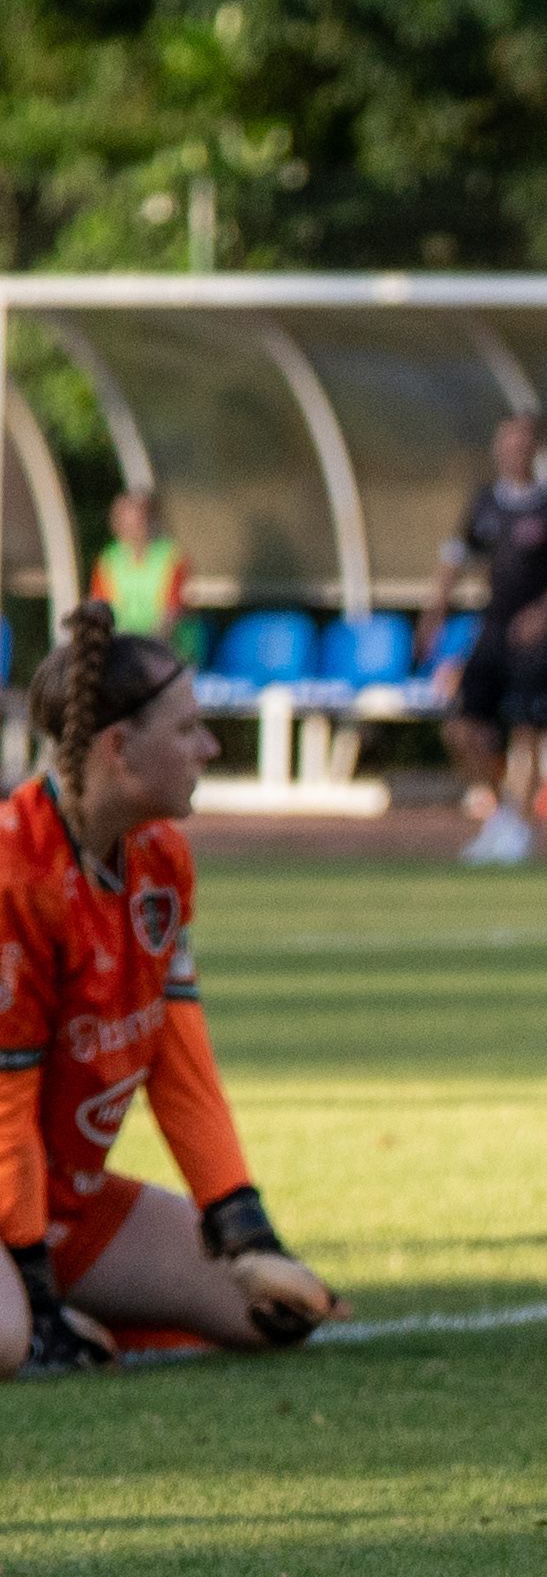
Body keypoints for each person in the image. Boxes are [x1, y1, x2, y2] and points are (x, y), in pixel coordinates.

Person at [1, 605, 344, 1376]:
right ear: (119, 748)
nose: (209, 747)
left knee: (273, 1310)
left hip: (61, 1197)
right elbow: (6, 1105)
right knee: (7, 1337)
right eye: (188, 728)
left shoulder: (161, 861)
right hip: (8, 1190)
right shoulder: (14, 872)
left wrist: (241, 1224)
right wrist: (34, 1287)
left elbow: (180, 1060)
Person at [437, 412, 547, 866]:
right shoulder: (484, 502)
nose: (513, 451)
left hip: (534, 640)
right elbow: (455, 556)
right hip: (492, 630)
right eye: (507, 442)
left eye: (522, 443)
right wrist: (435, 612)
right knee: (460, 729)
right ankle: (500, 817)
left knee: (525, 729)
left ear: (535, 451)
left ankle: (519, 827)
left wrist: (545, 612)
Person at [88, 488, 188, 648]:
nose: (133, 530)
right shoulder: (108, 559)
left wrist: (148, 647)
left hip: (167, 646)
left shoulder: (171, 556)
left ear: (151, 520)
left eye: (139, 522)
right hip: (121, 646)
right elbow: (100, 610)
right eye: (127, 524)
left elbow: (173, 611)